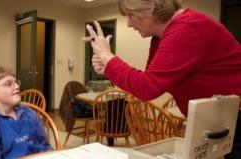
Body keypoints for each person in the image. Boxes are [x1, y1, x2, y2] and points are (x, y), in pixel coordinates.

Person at [84, 0, 241, 158]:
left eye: (131, 15)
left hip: (234, 116)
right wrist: (108, 67)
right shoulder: (160, 36)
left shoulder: (186, 28)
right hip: (218, 116)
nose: (129, 24)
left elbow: (147, 87)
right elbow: (148, 81)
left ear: (150, 8)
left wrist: (107, 57)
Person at [0, 67, 51, 159]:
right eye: (8, 84)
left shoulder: (28, 112)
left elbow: (45, 145)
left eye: (16, 82)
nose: (17, 86)